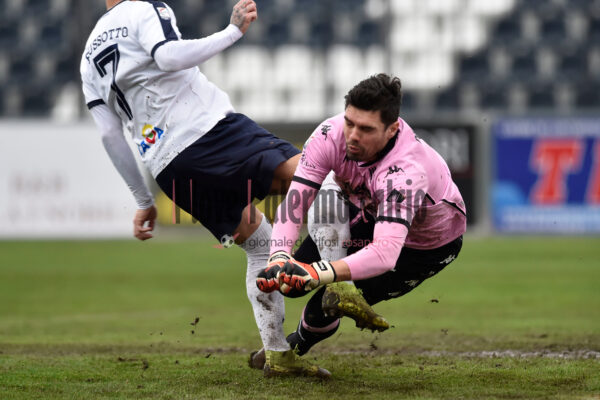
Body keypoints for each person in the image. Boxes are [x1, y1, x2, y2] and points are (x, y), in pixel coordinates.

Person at [80, 0, 331, 377]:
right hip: (208, 132)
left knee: (259, 243)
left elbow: (110, 134)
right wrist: (231, 32)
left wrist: (143, 199)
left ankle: (277, 354)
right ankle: (343, 280)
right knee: (317, 175)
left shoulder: (88, 56)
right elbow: (167, 56)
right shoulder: (144, 9)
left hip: (170, 169)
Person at [255, 73, 467, 377]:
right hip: (368, 213)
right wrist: (278, 256)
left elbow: (385, 253)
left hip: (424, 246)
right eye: (350, 122)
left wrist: (319, 273)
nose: (353, 135)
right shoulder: (329, 135)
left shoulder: (406, 171)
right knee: (290, 283)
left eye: (366, 129)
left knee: (327, 304)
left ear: (392, 129)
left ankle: (296, 345)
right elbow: (295, 203)